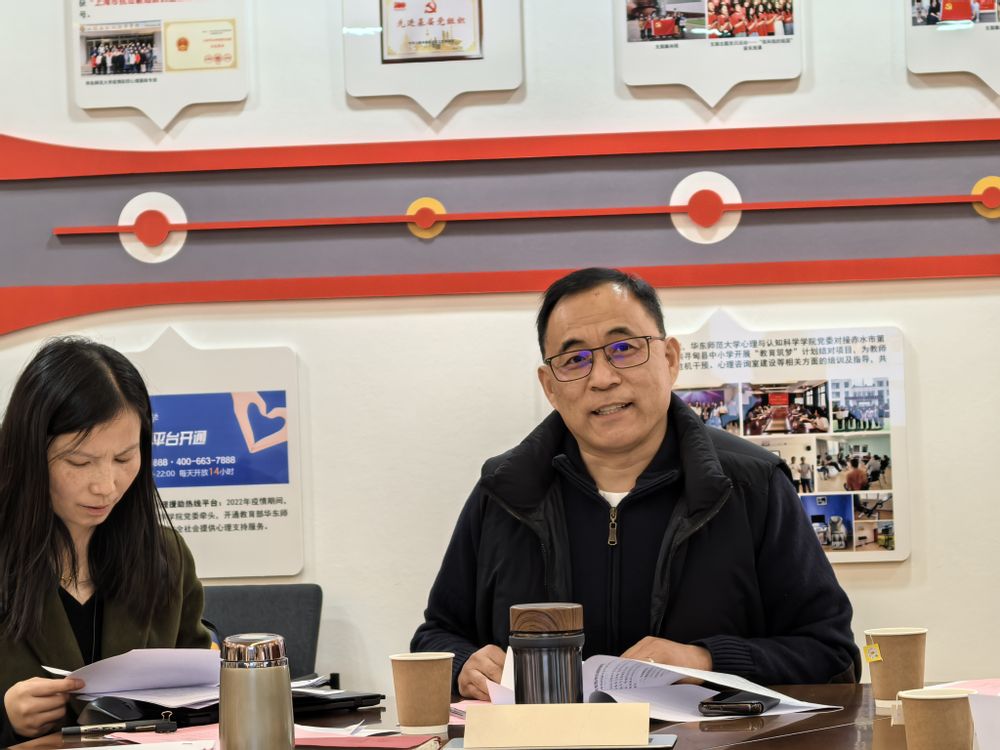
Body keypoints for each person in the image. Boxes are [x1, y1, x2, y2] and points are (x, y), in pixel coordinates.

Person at [411, 268, 861, 700]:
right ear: (550, 386)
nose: (603, 378)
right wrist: (464, 664)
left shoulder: (752, 485)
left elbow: (831, 654)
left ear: (670, 359)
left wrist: (706, 661)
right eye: (575, 360)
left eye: (624, 348)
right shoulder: (505, 490)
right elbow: (435, 637)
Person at [0, 338, 212, 744]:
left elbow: (202, 695)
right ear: (29, 451)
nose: (106, 486)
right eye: (79, 462)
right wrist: (4, 717)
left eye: (124, 458)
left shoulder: (165, 556)